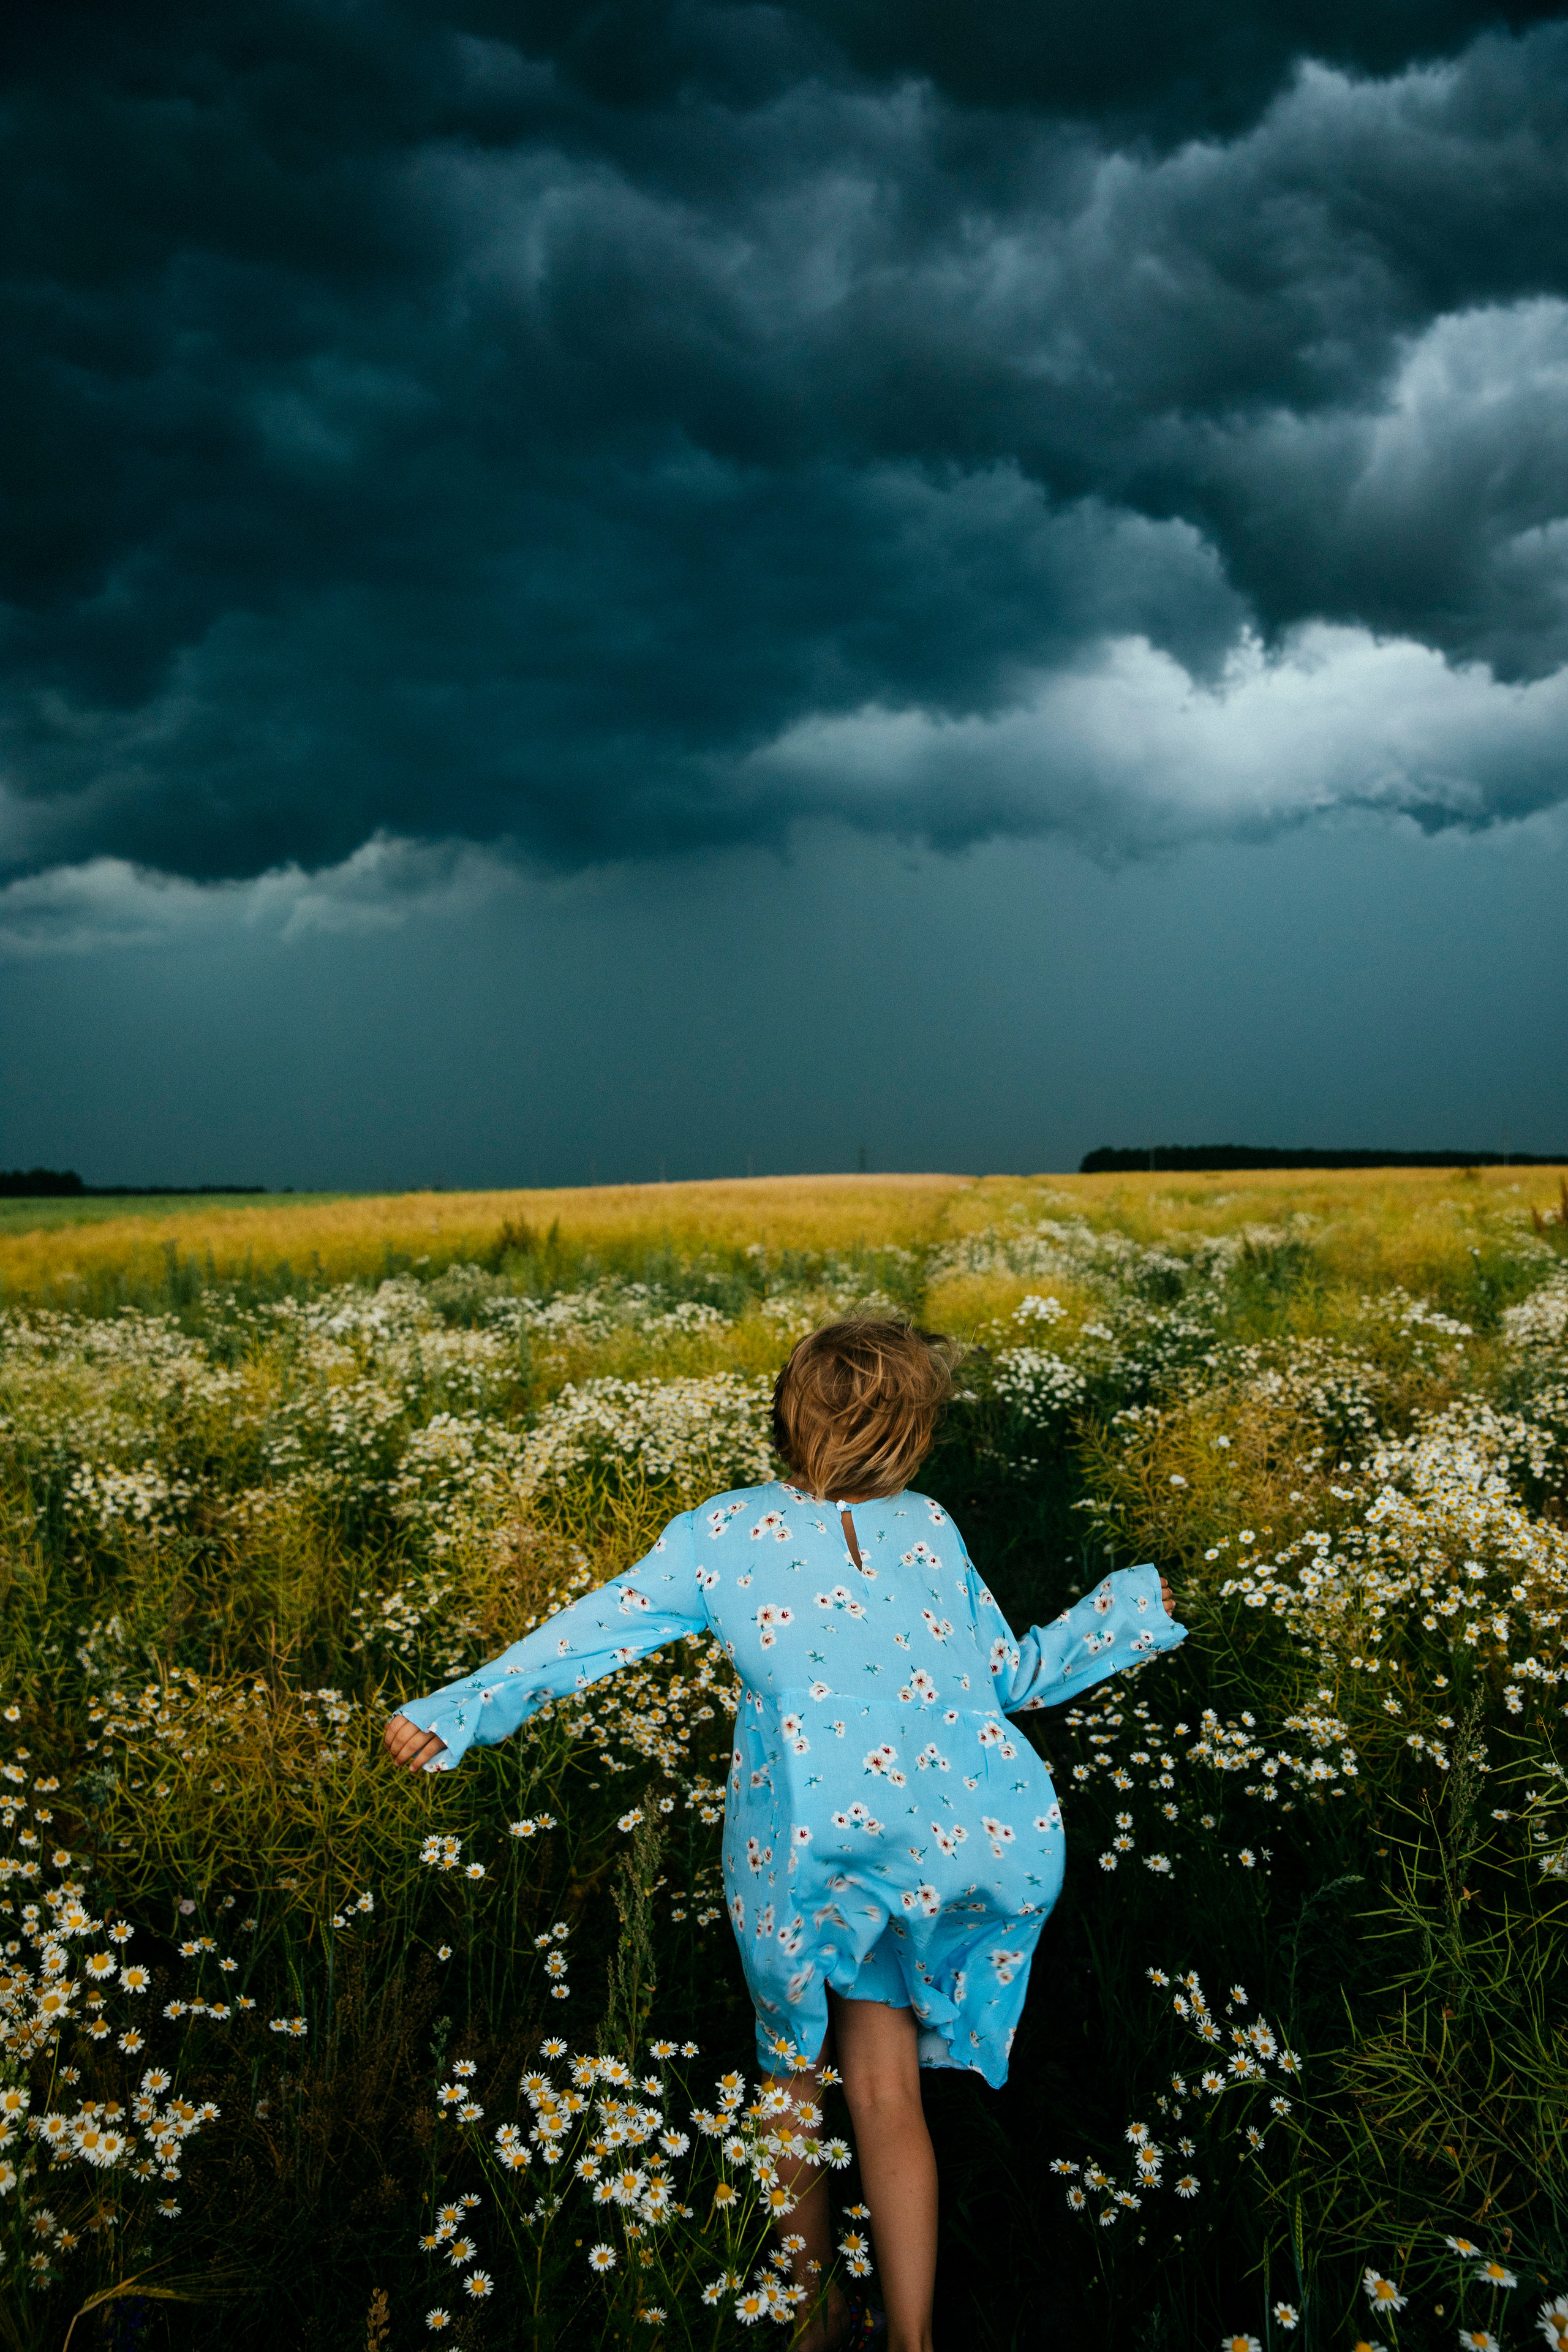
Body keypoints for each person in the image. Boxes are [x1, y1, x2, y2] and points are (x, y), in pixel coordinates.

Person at [385, 1316, 1185, 2352]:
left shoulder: (722, 1534)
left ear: (784, 1416)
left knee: (791, 2081)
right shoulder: (929, 1525)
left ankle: (814, 2322)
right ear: (912, 1434)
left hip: (805, 1857)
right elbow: (1010, 1676)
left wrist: (458, 1707)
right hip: (939, 1843)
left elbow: (595, 1630)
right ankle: (913, 2340)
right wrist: (1127, 1612)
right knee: (888, 2089)